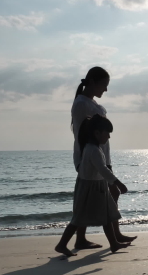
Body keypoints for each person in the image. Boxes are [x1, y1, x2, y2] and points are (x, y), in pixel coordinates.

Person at [70, 67, 136, 249]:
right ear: (92, 82)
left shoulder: (91, 103)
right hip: (90, 157)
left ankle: (110, 235)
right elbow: (80, 134)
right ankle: (104, 237)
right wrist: (89, 158)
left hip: (101, 156)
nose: (105, 90)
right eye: (103, 85)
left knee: (106, 194)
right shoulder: (81, 104)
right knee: (95, 196)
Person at [56, 115, 130, 256]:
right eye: (107, 133)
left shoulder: (94, 148)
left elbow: (101, 171)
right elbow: (103, 169)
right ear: (97, 133)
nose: (109, 136)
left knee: (107, 216)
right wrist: (118, 183)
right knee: (79, 219)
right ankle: (61, 244)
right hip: (90, 188)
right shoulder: (93, 150)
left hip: (99, 186)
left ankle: (114, 244)